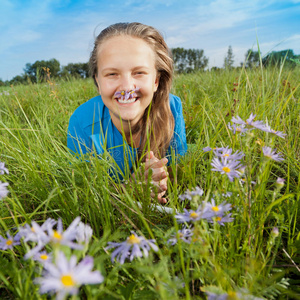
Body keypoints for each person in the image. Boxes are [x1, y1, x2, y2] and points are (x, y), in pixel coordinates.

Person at [67, 22, 187, 203]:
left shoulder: (172, 108)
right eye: (112, 74)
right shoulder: (82, 123)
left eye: (139, 72)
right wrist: (130, 191)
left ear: (156, 81)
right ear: (98, 82)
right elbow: (84, 198)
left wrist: (162, 182)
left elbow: (180, 175)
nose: (126, 88)